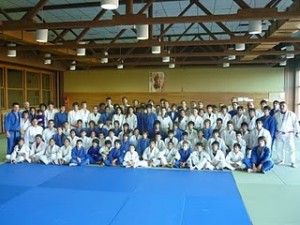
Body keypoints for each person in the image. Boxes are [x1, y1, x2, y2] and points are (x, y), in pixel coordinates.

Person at [273, 101, 300, 168]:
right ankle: (280, 160)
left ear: (286, 106)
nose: (282, 107)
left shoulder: (292, 114)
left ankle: (292, 161)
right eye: (281, 106)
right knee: (279, 147)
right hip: (279, 133)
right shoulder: (276, 115)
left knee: (291, 148)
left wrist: (297, 132)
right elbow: (274, 124)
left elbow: (296, 123)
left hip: (289, 133)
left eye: (283, 106)